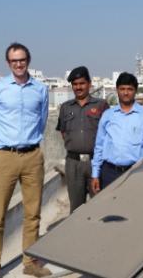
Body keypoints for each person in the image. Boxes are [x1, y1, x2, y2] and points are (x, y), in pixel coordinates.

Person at [0, 43, 52, 278]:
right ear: (8, 63)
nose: (19, 64)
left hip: (32, 156)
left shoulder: (41, 89)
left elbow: (41, 121)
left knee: (33, 213)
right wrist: (0, 144)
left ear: (28, 60)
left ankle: (30, 261)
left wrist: (30, 143)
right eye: (14, 61)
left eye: (22, 60)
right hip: (4, 157)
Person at [91, 72, 143, 193]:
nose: (126, 92)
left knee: (134, 207)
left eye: (130, 89)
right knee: (110, 208)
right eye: (122, 89)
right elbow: (99, 146)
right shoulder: (108, 115)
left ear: (135, 91)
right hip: (110, 173)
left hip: (136, 172)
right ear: (117, 90)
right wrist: (95, 174)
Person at [56, 66, 109, 213]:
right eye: (75, 84)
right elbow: (63, 132)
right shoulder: (65, 108)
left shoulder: (101, 105)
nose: (78, 87)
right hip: (73, 165)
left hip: (96, 162)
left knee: (99, 207)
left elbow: (109, 133)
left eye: (82, 83)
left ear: (89, 84)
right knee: (76, 209)